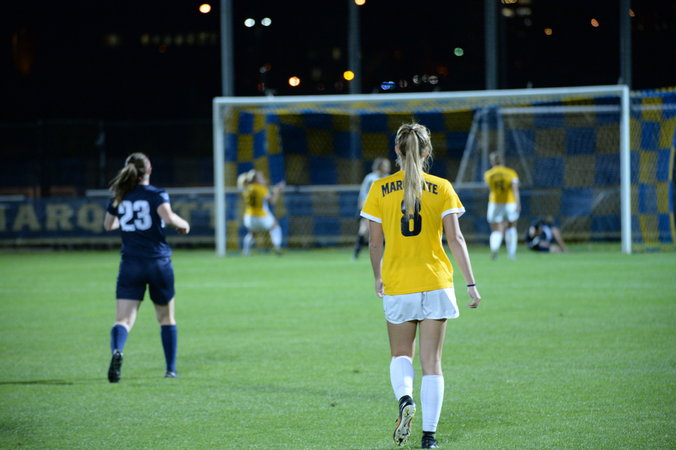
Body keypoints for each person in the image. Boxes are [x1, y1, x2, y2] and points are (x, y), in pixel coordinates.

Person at [360, 123, 481, 448]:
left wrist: (377, 277)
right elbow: (455, 239)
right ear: (427, 151)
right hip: (436, 282)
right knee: (432, 363)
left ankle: (405, 399)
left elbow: (375, 243)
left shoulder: (379, 188)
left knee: (401, 353)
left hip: (399, 282)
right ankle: (429, 437)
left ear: (396, 151)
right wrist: (470, 283)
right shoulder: (442, 187)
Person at [103, 152, 190, 383]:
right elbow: (168, 218)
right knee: (166, 318)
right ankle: (170, 369)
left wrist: (129, 222)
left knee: (123, 320)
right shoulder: (156, 194)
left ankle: (117, 351)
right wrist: (184, 224)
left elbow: (108, 225)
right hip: (157, 263)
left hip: (131, 264)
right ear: (149, 169)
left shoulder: (120, 195)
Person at [237, 169, 285, 255]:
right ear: (256, 180)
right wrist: (277, 191)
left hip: (248, 217)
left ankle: (246, 251)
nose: (264, 179)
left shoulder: (247, 188)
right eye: (262, 177)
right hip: (261, 216)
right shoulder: (261, 188)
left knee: (252, 234)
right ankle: (277, 246)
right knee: (275, 226)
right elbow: (272, 201)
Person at [483, 152, 521, 260]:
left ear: (492, 162)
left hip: (495, 203)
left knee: (496, 229)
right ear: (503, 161)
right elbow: (515, 190)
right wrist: (518, 204)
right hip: (510, 203)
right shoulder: (511, 173)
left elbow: (489, 187)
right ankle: (511, 254)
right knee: (511, 227)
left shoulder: (488, 174)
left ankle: (494, 248)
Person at [354, 157, 391, 259]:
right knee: (364, 229)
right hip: (370, 207)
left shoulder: (389, 178)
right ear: (380, 166)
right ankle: (356, 252)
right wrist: (363, 207)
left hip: (383, 208)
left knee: (385, 230)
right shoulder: (370, 178)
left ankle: (386, 253)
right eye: (385, 165)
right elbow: (363, 193)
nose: (388, 167)